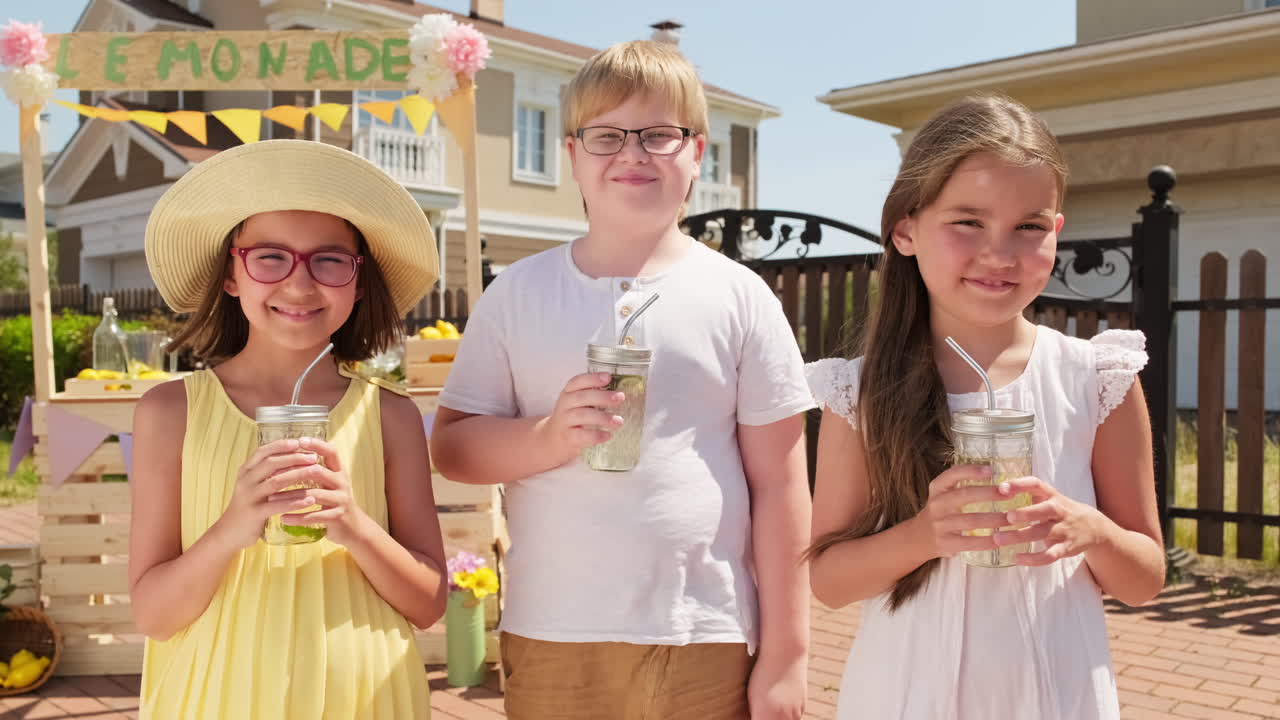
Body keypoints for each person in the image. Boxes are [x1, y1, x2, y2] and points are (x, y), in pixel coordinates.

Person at [430, 40, 814, 720]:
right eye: (606, 136)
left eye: (658, 135)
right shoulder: (519, 292)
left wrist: (788, 653)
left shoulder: (740, 296)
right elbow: (454, 448)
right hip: (553, 628)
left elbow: (782, 486)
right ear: (572, 155)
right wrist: (546, 438)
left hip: (705, 629)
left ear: (697, 153)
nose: (632, 153)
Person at [805, 94, 1165, 720]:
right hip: (900, 698)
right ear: (906, 228)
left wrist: (1090, 529)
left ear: (1055, 231)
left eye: (1028, 226)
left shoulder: (1095, 378)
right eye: (968, 222)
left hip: (1056, 698)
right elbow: (830, 582)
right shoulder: (860, 394)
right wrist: (924, 534)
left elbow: (1144, 578)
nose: (999, 253)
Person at [129, 140, 447, 718]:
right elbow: (153, 616)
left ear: (357, 280)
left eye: (329, 260)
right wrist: (232, 527)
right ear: (231, 273)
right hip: (215, 697)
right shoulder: (168, 413)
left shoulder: (391, 416)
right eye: (270, 257)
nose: (300, 286)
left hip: (369, 699)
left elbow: (428, 604)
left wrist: (351, 524)